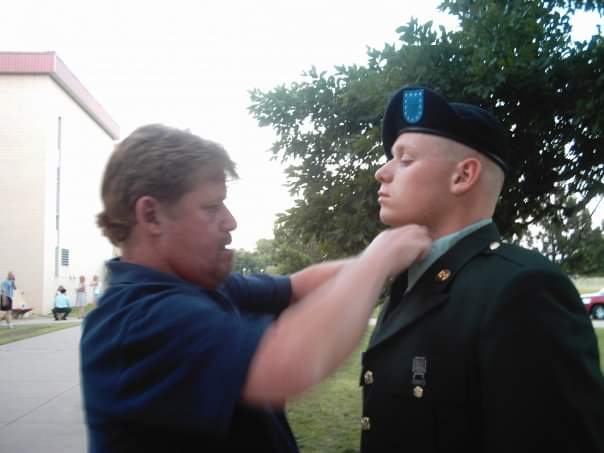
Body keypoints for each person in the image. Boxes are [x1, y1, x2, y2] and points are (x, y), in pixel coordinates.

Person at [80, 124, 432, 453]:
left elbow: (298, 287)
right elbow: (288, 362)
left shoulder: (201, 288)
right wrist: (378, 260)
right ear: (151, 216)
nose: (230, 221)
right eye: (211, 206)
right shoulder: (139, 321)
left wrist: (391, 259)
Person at [359, 86, 604, 452]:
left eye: (405, 159)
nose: (382, 172)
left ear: (463, 176)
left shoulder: (523, 289)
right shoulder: (408, 281)